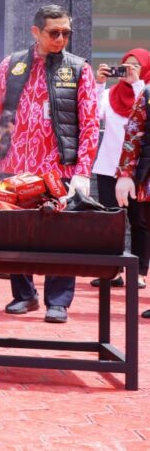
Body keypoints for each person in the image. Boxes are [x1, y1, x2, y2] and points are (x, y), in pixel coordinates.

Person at [0, 4, 100, 323]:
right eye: (54, 33)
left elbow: (89, 123)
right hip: (15, 164)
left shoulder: (78, 69)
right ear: (36, 32)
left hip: (58, 166)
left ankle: (58, 300)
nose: (61, 39)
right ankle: (24, 294)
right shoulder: (12, 65)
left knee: (61, 236)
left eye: (66, 33)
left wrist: (83, 171)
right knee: (15, 233)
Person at [99, 50, 150, 291]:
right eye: (125, 66)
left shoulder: (146, 93)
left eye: (135, 66)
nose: (128, 71)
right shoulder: (110, 95)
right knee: (110, 222)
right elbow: (91, 112)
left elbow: (145, 112)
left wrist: (138, 82)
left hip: (138, 171)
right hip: (108, 167)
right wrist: (99, 83)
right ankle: (111, 270)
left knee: (139, 222)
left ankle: (139, 272)